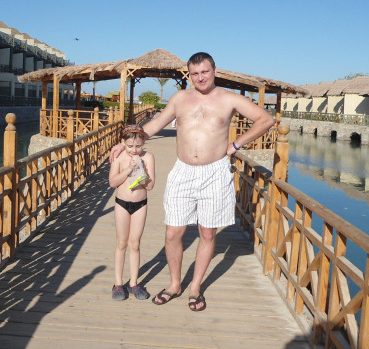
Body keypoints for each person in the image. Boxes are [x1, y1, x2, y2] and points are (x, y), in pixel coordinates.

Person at [111, 52, 275, 311]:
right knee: (172, 232)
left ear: (215, 71)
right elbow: (154, 125)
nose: (200, 77)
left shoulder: (229, 98)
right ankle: (175, 284)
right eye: (195, 73)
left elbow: (266, 119)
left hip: (215, 170)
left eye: (205, 72)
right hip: (183, 170)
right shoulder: (180, 98)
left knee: (207, 232)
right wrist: (125, 142)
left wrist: (236, 145)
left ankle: (195, 287)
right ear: (190, 75)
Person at [108, 124, 156, 300]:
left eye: (138, 146)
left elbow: (150, 186)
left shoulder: (148, 157)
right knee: (121, 243)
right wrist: (128, 170)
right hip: (122, 204)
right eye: (129, 146)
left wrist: (141, 171)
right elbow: (113, 182)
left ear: (143, 142)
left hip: (140, 205)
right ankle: (118, 283)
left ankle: (134, 283)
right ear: (123, 143)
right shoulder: (119, 157)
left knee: (134, 244)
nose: (134, 150)